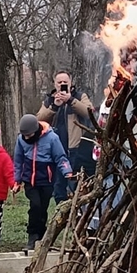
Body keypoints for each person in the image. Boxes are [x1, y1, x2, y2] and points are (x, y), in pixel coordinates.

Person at [13, 113, 73, 251]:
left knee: (42, 208)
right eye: (24, 136)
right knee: (35, 206)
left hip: (46, 180)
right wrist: (17, 181)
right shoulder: (21, 140)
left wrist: (67, 171)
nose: (26, 138)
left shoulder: (52, 138)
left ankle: (41, 237)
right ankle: (32, 236)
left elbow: (60, 157)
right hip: (30, 180)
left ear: (36, 131)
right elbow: (18, 161)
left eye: (29, 135)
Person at [37, 70, 95, 202]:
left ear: (71, 83)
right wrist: (54, 107)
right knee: (58, 188)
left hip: (76, 149)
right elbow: (39, 120)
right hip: (56, 151)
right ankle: (61, 218)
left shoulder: (79, 96)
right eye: (59, 82)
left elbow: (89, 113)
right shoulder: (49, 100)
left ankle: (77, 216)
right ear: (54, 84)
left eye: (65, 82)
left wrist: (71, 100)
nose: (62, 84)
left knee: (76, 186)